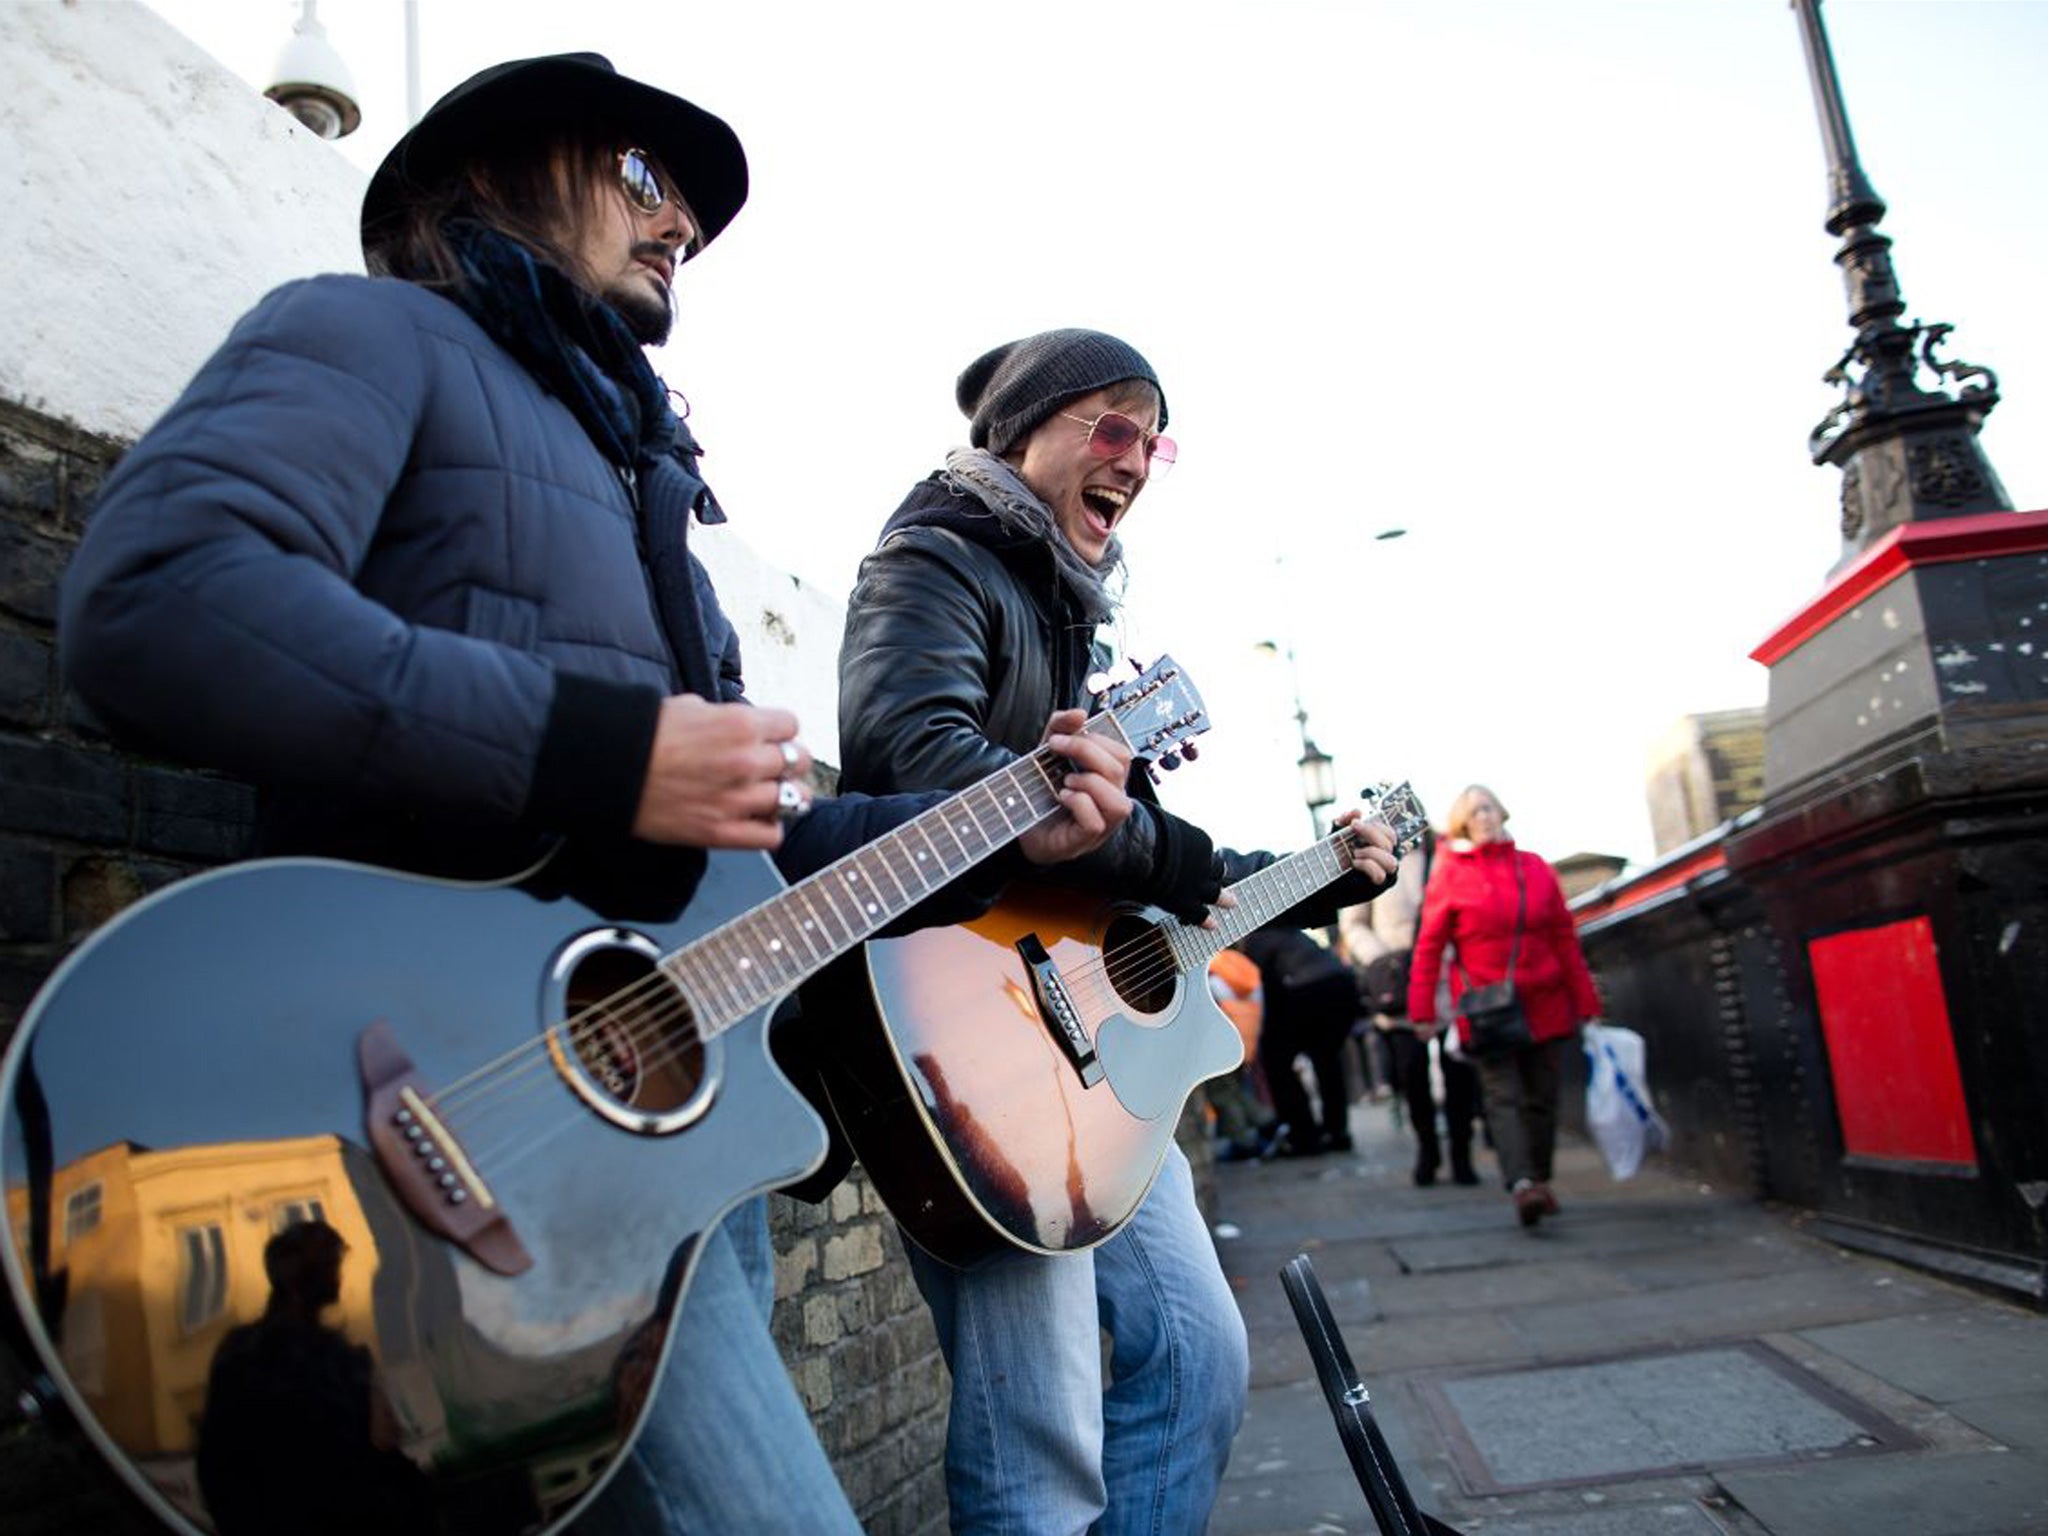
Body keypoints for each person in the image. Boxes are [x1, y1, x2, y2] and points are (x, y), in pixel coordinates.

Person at [56, 53, 1137, 1534]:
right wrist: (603, 750)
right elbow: (157, 600)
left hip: (668, 1165)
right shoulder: (369, 333)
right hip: (423, 1115)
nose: (681, 220)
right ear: (495, 169)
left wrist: (1019, 822)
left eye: (687, 202)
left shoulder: (650, 499)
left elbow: (762, 858)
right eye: (644, 175)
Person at [828, 327, 1399, 1533]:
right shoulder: (930, 560)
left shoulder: (1066, 612)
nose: (1135, 460)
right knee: (1039, 1457)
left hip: (1090, 1065)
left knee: (1200, 1366)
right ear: (1019, 432)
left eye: (1153, 439)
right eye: (1110, 427)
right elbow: (912, 761)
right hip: (970, 1047)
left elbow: (1147, 881)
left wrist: (1326, 875)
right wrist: (1150, 844)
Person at [1407, 785, 1600, 1228]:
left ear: (1502, 813)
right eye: (1475, 811)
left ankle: (1540, 1177)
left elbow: (1564, 937)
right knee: (1503, 1096)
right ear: (1462, 822)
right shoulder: (1450, 875)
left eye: (1490, 807)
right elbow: (1429, 948)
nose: (1486, 817)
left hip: (1545, 1000)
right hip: (1487, 1008)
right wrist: (1422, 1012)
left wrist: (1585, 999)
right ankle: (1521, 1185)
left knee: (1543, 1098)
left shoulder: (1534, 868)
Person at [1342, 829, 1481, 1186]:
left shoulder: (1443, 856)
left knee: (1459, 1074)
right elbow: (1354, 925)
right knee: (1413, 1076)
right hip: (1400, 987)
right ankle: (1428, 1150)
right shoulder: (1373, 858)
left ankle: (1462, 1155)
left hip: (1448, 981)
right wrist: (1383, 961)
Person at [1238, 924, 1360, 1156]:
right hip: (1339, 984)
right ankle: (1337, 1132)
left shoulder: (1255, 941)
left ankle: (1304, 1136)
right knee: (1328, 1062)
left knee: (1277, 1063)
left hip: (1305, 989)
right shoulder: (1289, 933)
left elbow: (1268, 994)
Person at [1205, 947, 1284, 1161]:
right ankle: (1268, 1124)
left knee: (1222, 1094)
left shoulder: (1209, 967)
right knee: (1235, 1090)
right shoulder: (1240, 965)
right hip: (1245, 1039)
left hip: (1221, 1041)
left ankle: (1244, 1143)